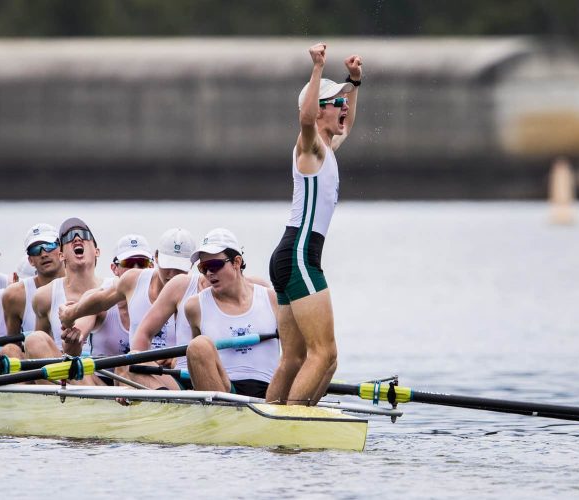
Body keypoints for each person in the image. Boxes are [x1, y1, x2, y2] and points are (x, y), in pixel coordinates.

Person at [266, 43, 362, 405]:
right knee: (326, 356)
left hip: (288, 256)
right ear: (318, 109)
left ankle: (268, 420)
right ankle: (292, 422)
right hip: (301, 257)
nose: (345, 108)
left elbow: (346, 125)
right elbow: (305, 119)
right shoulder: (311, 148)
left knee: (293, 360)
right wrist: (318, 68)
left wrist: (354, 84)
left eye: (344, 101)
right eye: (337, 102)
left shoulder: (328, 147)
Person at [61, 228, 195, 389]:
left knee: (126, 364)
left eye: (179, 268)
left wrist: (177, 359)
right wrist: (70, 315)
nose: (172, 274)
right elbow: (99, 300)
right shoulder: (133, 281)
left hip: (175, 378)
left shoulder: (199, 289)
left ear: (192, 264)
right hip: (125, 374)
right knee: (124, 364)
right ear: (157, 257)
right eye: (129, 263)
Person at [184, 228, 280, 398]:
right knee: (198, 346)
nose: (209, 273)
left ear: (236, 262)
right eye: (203, 268)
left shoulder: (271, 298)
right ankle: (219, 414)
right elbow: (198, 362)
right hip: (225, 390)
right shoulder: (195, 306)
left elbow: (293, 355)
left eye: (214, 265)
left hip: (271, 392)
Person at [23, 217, 104, 386]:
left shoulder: (114, 288)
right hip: (68, 377)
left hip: (109, 381)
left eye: (84, 234)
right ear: (61, 255)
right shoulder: (43, 297)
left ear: (97, 251)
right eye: (68, 238)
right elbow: (38, 356)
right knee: (34, 340)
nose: (77, 238)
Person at [2, 223, 65, 336]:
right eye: (35, 250)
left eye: (49, 245)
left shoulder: (83, 282)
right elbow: (12, 344)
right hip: (37, 351)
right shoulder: (14, 295)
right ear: (30, 260)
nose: (43, 254)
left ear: (62, 249)